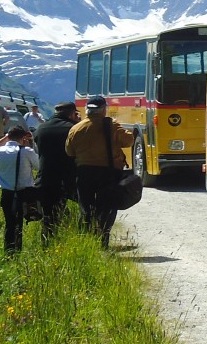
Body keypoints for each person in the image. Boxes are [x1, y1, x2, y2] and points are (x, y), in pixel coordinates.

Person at [65, 95, 133, 248]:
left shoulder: (76, 128)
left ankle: (87, 241)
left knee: (86, 207)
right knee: (108, 207)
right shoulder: (112, 125)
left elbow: (69, 152)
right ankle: (103, 240)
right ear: (104, 110)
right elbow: (128, 141)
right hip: (109, 173)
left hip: (84, 172)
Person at [0, 126, 40, 253]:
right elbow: (38, 166)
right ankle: (17, 248)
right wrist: (31, 143)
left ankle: (9, 249)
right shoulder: (27, 151)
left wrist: (5, 137)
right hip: (24, 192)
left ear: (9, 137)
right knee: (19, 222)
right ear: (23, 138)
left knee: (9, 222)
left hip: (7, 193)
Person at [33, 101, 80, 240]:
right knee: (88, 208)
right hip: (67, 178)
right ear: (72, 113)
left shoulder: (41, 128)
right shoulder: (72, 129)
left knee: (48, 216)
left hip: (45, 177)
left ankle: (46, 242)